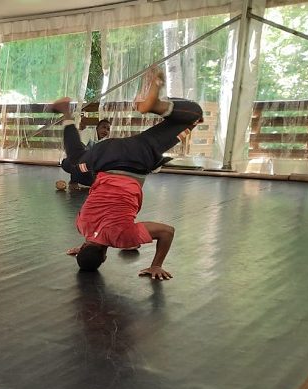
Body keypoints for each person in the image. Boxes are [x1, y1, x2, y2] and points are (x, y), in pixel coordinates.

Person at [53, 66, 203, 280]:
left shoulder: (124, 238)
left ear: (105, 257)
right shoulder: (81, 225)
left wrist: (156, 266)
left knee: (195, 116)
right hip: (104, 154)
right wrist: (87, 246)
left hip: (138, 156)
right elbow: (95, 234)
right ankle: (66, 112)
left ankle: (158, 105)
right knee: (76, 159)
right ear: (84, 246)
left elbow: (167, 231)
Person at [61, 118, 112, 190]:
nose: (105, 131)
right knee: (80, 162)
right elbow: (77, 153)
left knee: (95, 181)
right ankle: (74, 180)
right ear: (97, 128)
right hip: (69, 161)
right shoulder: (88, 132)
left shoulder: (104, 141)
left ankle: (77, 178)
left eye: (108, 129)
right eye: (103, 127)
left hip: (85, 165)